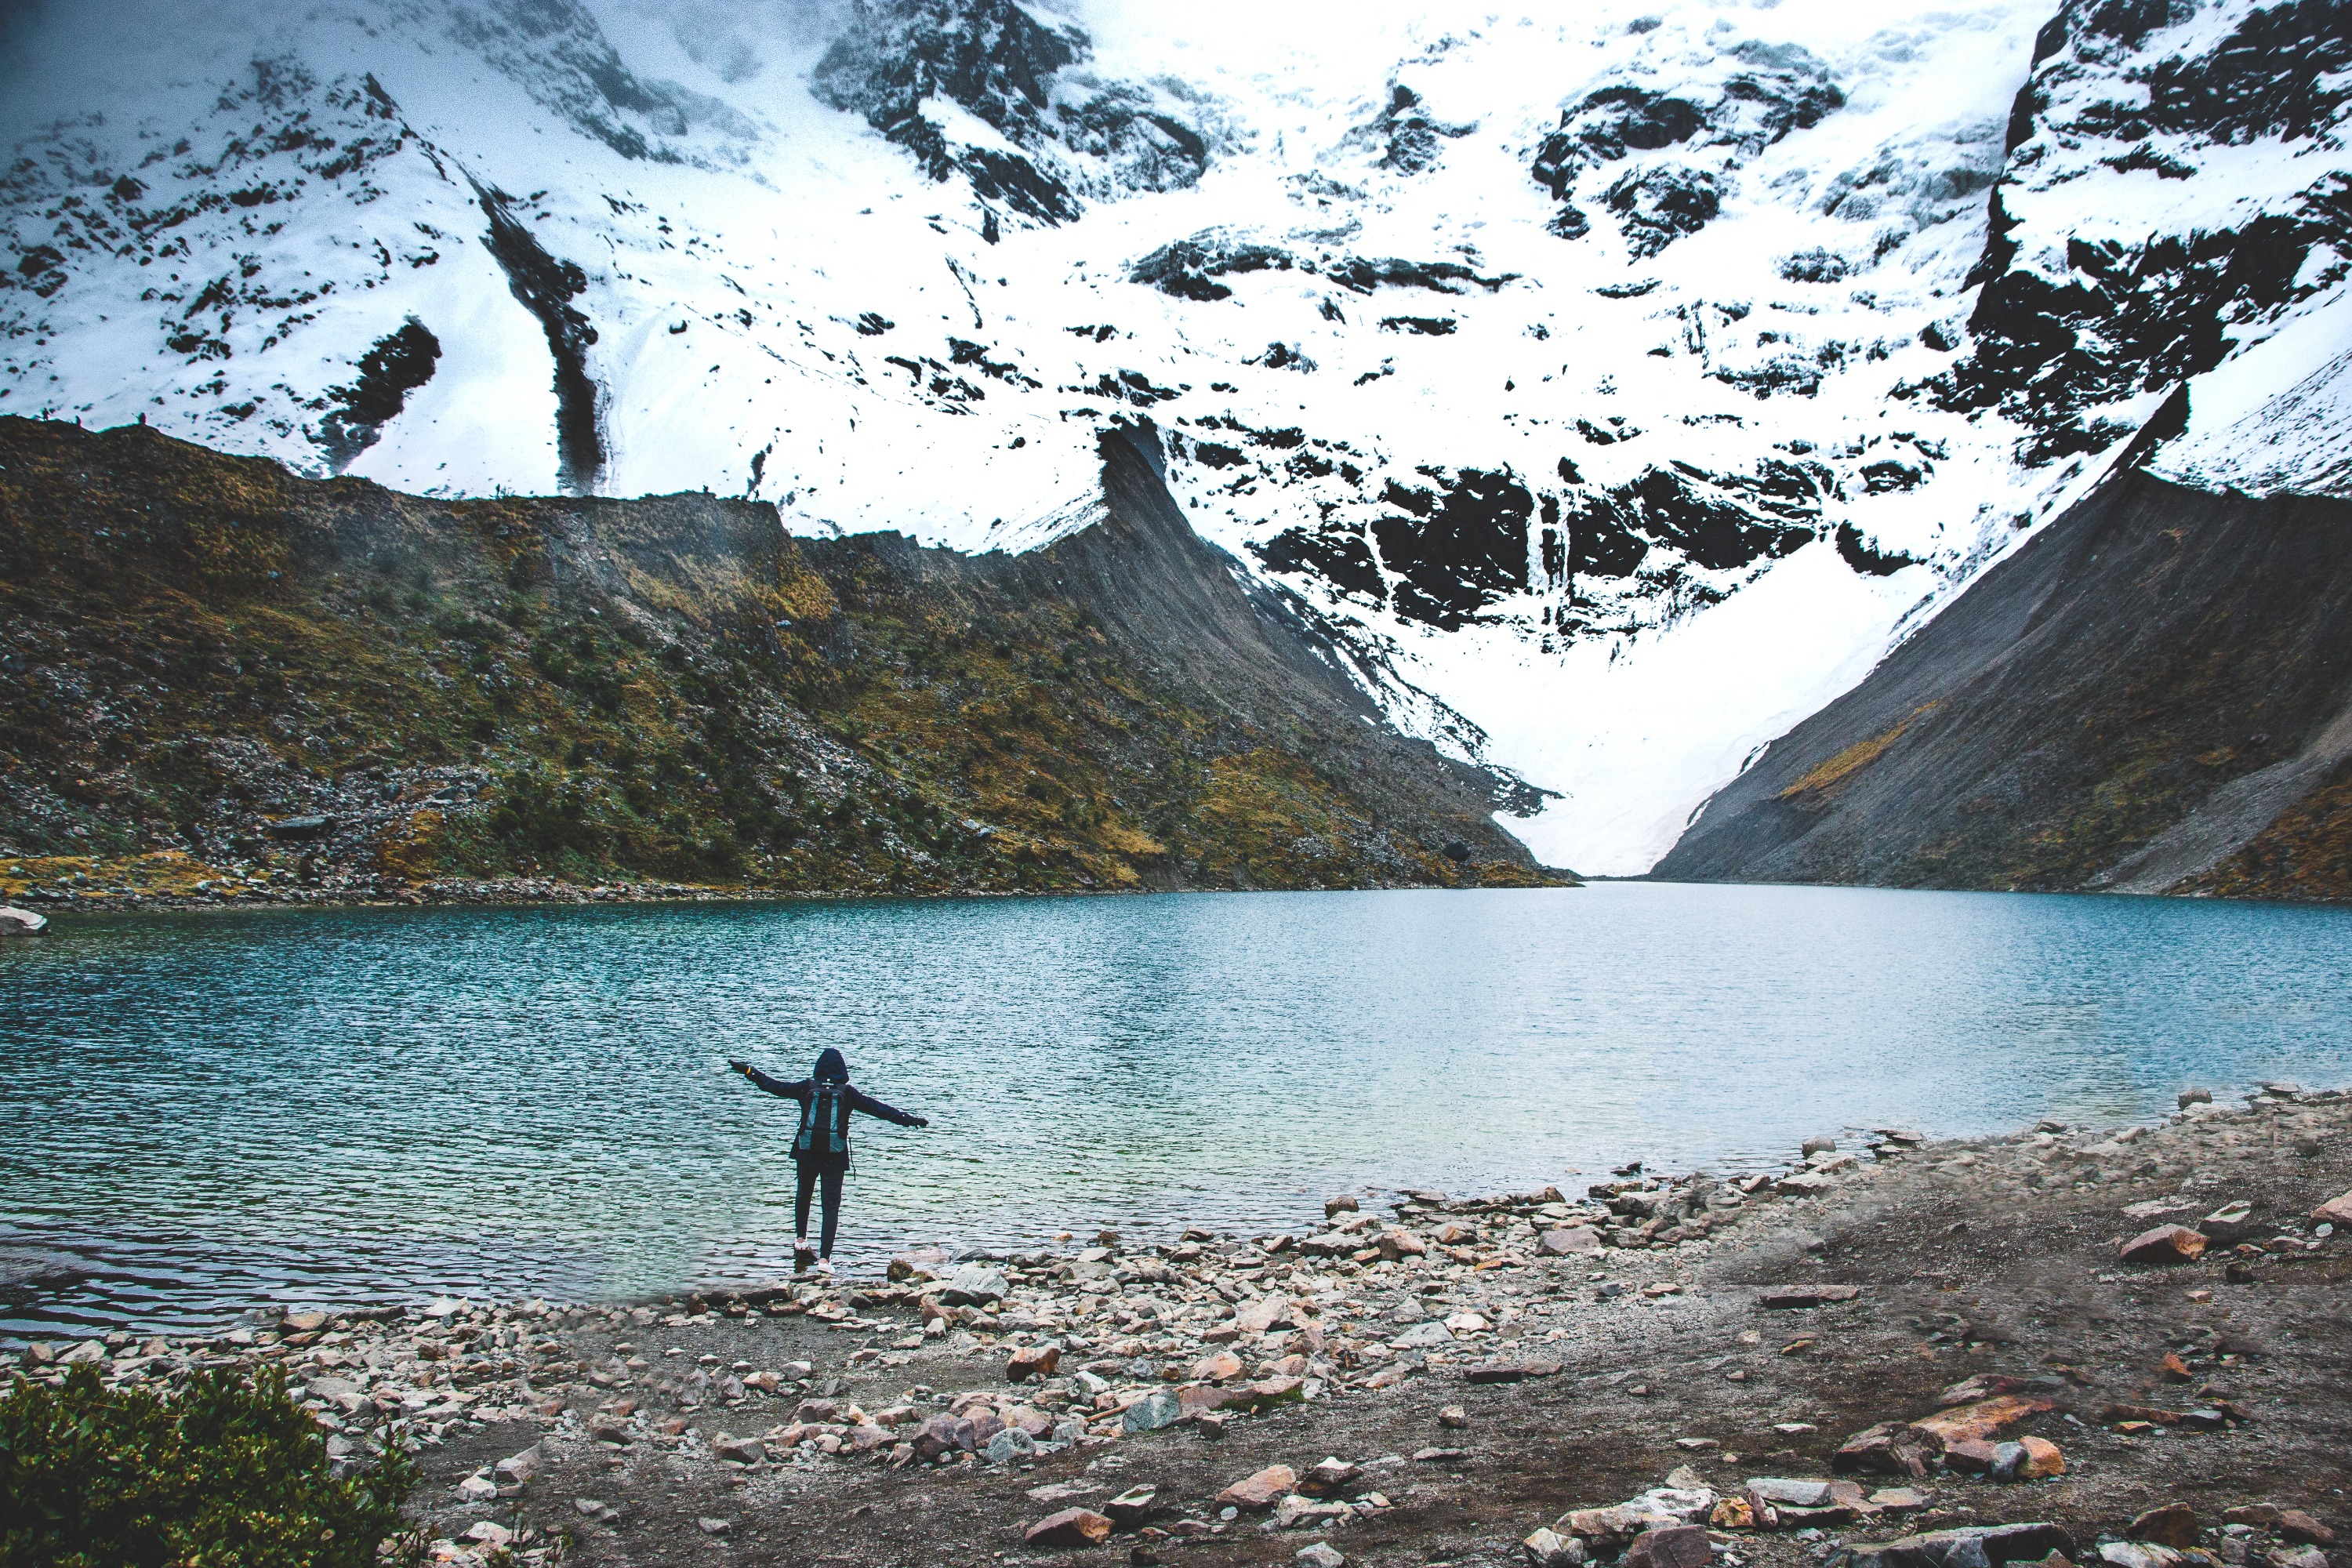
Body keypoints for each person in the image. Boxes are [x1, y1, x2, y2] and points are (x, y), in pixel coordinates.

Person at [728, 1047, 927, 1275]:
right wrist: (910, 1120)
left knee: (803, 1194)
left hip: (806, 1153)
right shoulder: (848, 1093)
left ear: (818, 1069)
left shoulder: (806, 1088)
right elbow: (880, 1110)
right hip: (835, 1156)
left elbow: (774, 1086)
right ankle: (824, 1261)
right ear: (843, 1070)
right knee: (830, 1207)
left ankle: (801, 1241)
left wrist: (749, 1071)